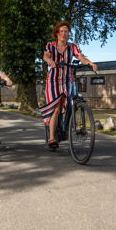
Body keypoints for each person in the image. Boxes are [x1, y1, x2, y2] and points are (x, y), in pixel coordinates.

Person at [39, 20, 98, 149]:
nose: (64, 34)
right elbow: (46, 56)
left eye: (66, 31)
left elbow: (80, 56)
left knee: (73, 100)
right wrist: (50, 61)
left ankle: (70, 124)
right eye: (61, 31)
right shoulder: (51, 45)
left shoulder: (72, 46)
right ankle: (52, 138)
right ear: (57, 34)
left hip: (67, 79)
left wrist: (90, 63)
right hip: (53, 81)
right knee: (56, 108)